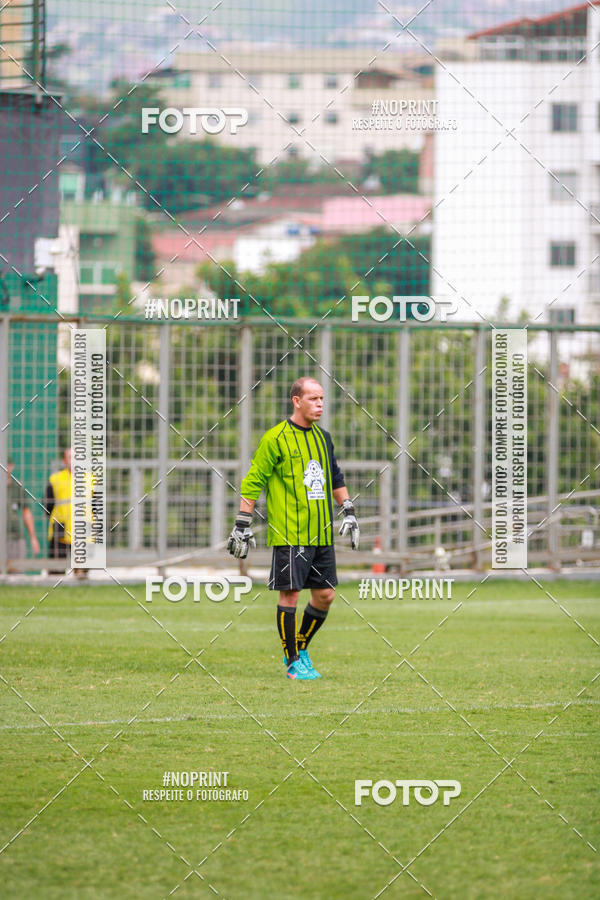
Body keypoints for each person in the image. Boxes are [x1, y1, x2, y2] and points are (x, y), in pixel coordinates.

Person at [227, 377, 360, 680]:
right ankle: (292, 662)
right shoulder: (275, 438)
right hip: (291, 533)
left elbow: (335, 477)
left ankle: (300, 648)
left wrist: (349, 510)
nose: (320, 405)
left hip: (321, 532)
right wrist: (242, 523)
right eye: (313, 399)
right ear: (296, 401)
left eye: (322, 399)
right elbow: (254, 479)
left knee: (325, 595)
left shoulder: (323, 438)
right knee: (291, 596)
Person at [44, 447, 87, 579]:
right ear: (64, 461)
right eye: (70, 457)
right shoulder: (55, 479)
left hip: (82, 531)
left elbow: (96, 507)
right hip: (60, 528)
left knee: (82, 573)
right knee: (56, 571)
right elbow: (47, 504)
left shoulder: (90, 479)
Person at [6, 458, 40, 572]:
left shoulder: (17, 486)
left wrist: (33, 538)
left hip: (15, 537)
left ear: (11, 466)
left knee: (17, 573)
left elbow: (26, 512)